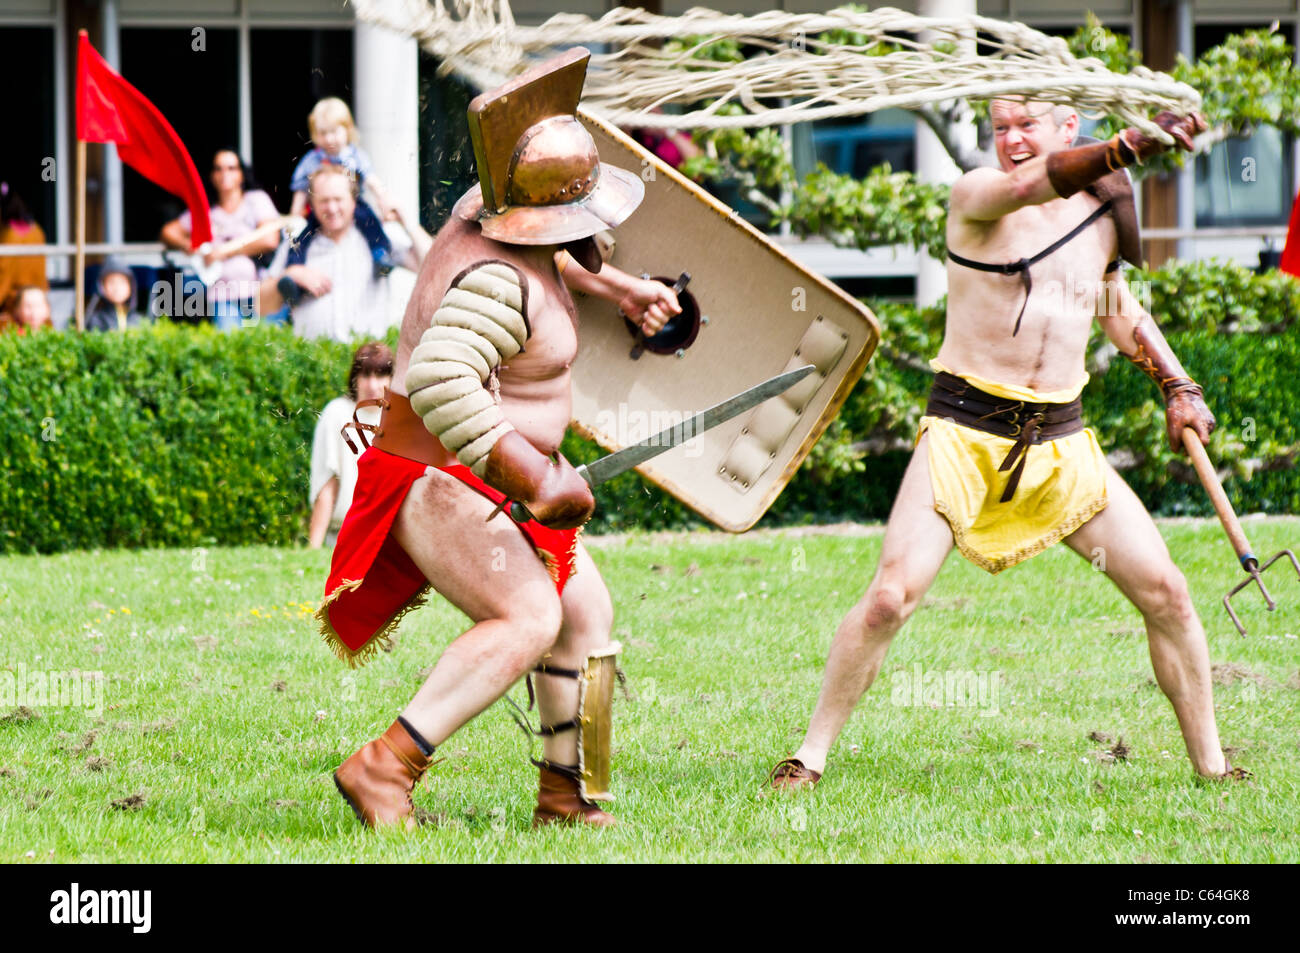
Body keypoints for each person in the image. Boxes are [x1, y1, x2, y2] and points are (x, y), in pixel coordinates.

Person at [769, 99, 1249, 790]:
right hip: (963, 435)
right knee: (888, 599)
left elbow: (1113, 302)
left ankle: (1213, 765)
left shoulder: (1098, 210)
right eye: (1001, 126)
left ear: (1067, 127)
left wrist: (1179, 384)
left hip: (1060, 443)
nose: (1011, 139)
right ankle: (809, 754)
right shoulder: (977, 194)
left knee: (1169, 593)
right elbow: (1029, 185)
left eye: (1029, 124)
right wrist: (1132, 145)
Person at [315, 48, 681, 830]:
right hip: (443, 473)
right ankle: (384, 767)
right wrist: (534, 476)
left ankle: (567, 794)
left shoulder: (490, 218)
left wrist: (620, 287)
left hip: (481, 473)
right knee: (528, 616)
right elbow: (446, 379)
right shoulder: (498, 282)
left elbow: (553, 259)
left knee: (586, 616)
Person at [259, 164, 431, 342]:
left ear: (354, 200)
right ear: (312, 204)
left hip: (367, 363)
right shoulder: (296, 244)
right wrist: (290, 274)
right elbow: (259, 307)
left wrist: (407, 221)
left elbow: (433, 266)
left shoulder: (380, 237)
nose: (332, 208)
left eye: (338, 199)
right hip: (312, 360)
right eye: (324, 201)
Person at [160, 150, 281, 331]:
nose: (225, 174)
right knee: (230, 350)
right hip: (222, 294)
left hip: (259, 290)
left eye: (231, 168)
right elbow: (168, 232)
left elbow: (270, 239)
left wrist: (224, 252)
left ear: (242, 174)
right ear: (212, 176)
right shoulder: (207, 211)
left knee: (263, 348)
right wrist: (191, 246)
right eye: (218, 169)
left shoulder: (255, 200)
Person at [286, 97, 395, 277]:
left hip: (354, 204)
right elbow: (300, 188)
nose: (329, 139)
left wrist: (383, 200)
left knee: (370, 221)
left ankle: (380, 253)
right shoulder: (312, 159)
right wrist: (295, 213)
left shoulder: (355, 156)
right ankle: (293, 270)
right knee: (301, 236)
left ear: (347, 130)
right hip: (319, 209)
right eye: (322, 133)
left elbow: (371, 179)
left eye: (334, 132)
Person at [309, 342, 395, 549]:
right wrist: (314, 547)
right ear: (354, 379)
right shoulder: (337, 414)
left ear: (392, 379)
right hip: (345, 538)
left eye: (380, 375)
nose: (373, 385)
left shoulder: (399, 418)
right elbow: (327, 483)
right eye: (365, 376)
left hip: (391, 541)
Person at [0, 184, 49, 313]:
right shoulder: (37, 230)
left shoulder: (9, 235)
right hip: (37, 297)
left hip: (16, 303)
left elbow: (4, 274)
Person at [85, 257, 147, 333]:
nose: (117, 288)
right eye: (111, 282)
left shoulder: (140, 321)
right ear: (102, 287)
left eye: (122, 282)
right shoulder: (95, 320)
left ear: (131, 287)